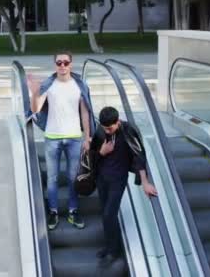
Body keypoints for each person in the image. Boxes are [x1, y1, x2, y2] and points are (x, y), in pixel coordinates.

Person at [28, 51, 94, 230]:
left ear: (71, 64)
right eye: (59, 63)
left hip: (74, 138)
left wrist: (87, 136)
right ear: (55, 65)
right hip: (52, 138)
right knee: (52, 178)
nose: (62, 66)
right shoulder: (49, 85)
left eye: (66, 62)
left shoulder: (79, 86)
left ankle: (73, 211)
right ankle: (53, 212)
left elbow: (85, 112)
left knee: (73, 177)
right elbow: (36, 108)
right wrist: (35, 93)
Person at [89, 106, 158, 267]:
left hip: (118, 180)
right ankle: (108, 247)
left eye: (110, 128)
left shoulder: (128, 131)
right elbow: (92, 156)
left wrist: (145, 182)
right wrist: (102, 152)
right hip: (102, 178)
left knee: (109, 215)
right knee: (105, 213)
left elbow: (138, 155)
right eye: (104, 127)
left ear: (117, 121)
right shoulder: (100, 131)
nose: (107, 131)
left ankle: (114, 251)